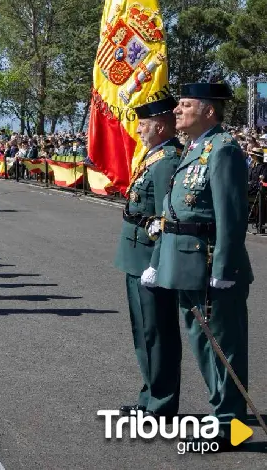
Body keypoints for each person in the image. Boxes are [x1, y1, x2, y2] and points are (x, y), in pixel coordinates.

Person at [142, 82, 254, 449]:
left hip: (209, 265)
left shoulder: (223, 151)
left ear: (208, 111)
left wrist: (225, 268)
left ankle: (229, 424)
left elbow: (230, 217)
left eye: (185, 105)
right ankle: (221, 414)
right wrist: (159, 260)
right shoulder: (194, 148)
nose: (176, 111)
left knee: (223, 345)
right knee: (203, 343)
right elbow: (171, 214)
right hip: (184, 263)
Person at [113, 96, 182, 418]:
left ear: (161, 125)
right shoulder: (155, 156)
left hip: (149, 258)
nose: (138, 129)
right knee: (144, 332)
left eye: (143, 124)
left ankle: (161, 403)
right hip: (137, 253)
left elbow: (166, 218)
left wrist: (157, 264)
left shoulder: (167, 159)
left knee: (157, 332)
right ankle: (150, 396)